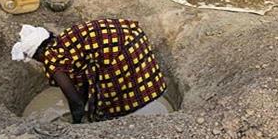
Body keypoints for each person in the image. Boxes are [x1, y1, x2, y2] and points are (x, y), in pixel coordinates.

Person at [12, 19, 167, 123]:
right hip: (132, 35)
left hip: (120, 50)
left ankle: (119, 122)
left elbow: (75, 101)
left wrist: (77, 123)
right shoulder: (62, 42)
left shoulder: (51, 59)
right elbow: (83, 79)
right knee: (107, 86)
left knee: (112, 95)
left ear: (37, 54)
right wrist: (85, 101)